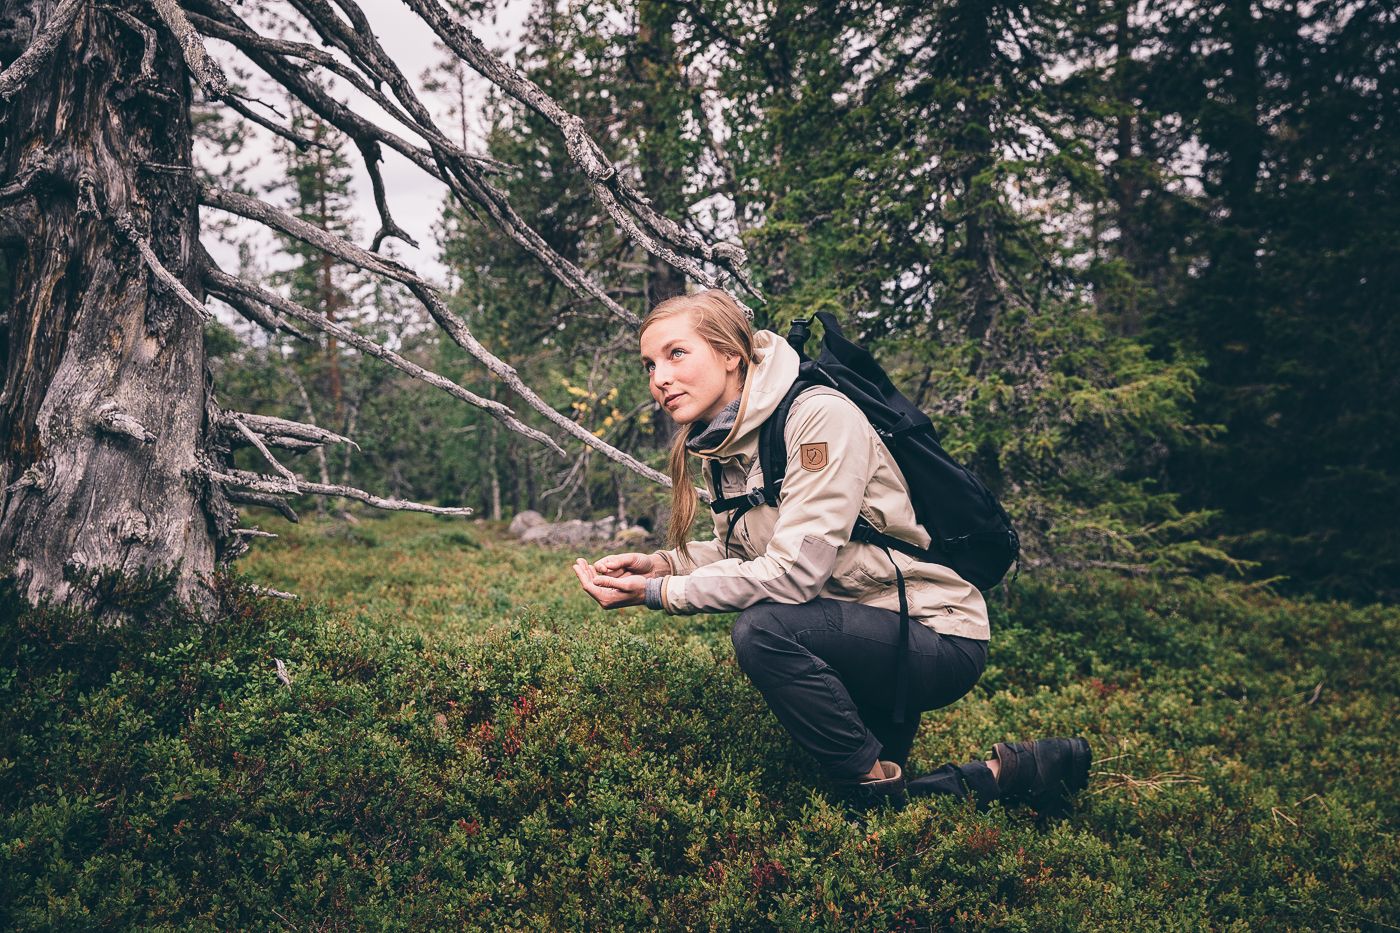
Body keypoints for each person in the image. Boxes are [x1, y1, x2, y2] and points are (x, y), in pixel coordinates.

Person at [572, 289, 1088, 812]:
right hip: (854, 633)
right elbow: (752, 553)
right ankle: (1019, 772)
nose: (658, 378)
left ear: (731, 354)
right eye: (648, 364)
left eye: (676, 353)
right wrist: (663, 562)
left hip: (933, 635)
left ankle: (874, 788)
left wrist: (659, 592)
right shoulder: (725, 442)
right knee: (883, 805)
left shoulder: (816, 416)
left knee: (764, 630)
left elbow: (795, 574)